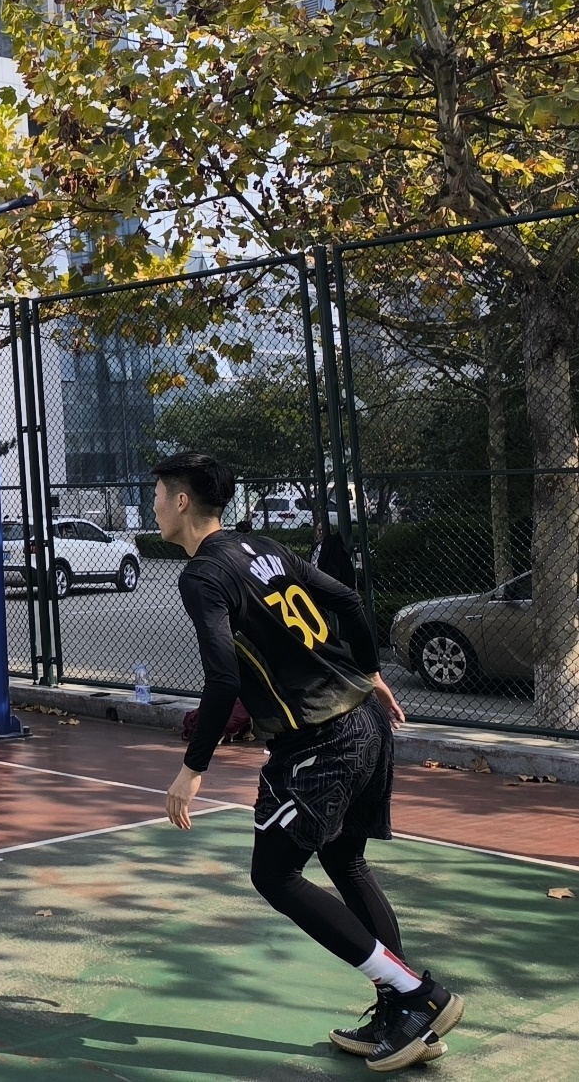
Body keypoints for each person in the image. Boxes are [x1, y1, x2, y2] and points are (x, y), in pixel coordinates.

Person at [154, 451, 462, 1073]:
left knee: (274, 875)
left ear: (182, 501)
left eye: (158, 494)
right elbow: (347, 598)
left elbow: (222, 681)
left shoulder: (204, 575)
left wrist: (192, 768)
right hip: (365, 720)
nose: (153, 504)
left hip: (322, 742)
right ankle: (401, 1017)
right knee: (345, 861)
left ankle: (417, 996)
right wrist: (370, 672)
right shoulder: (262, 547)